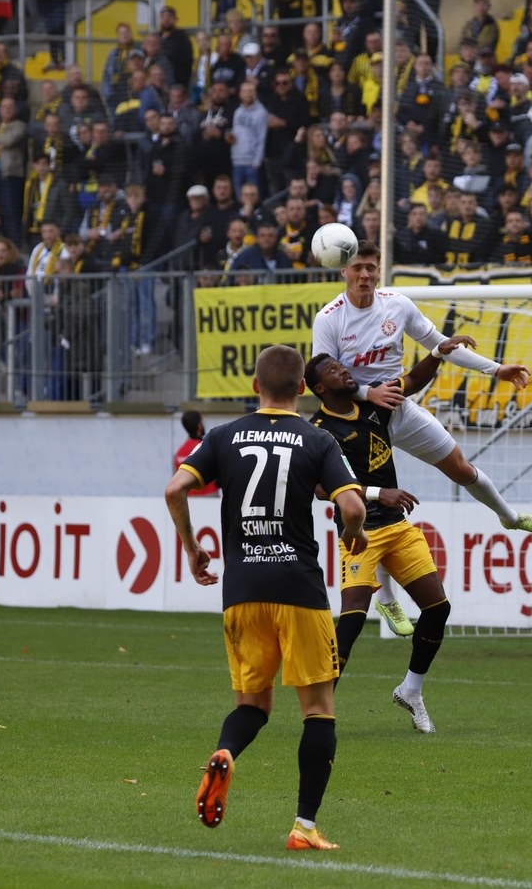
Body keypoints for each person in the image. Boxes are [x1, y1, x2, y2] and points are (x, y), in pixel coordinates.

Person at [164, 344, 367, 851]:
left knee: (253, 704)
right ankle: (304, 827)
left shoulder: (223, 435)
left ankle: (226, 753)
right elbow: (352, 506)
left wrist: (192, 549)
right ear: (302, 389)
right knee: (318, 708)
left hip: (243, 590)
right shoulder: (318, 439)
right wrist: (352, 534)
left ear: (256, 386)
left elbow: (174, 490)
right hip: (298, 587)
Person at [311, 241, 532, 637]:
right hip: (356, 422)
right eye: (357, 268)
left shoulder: (398, 305)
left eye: (371, 267)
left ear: (379, 270)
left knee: (460, 467)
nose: (365, 275)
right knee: (368, 505)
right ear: (344, 271)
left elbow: (441, 346)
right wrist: (368, 393)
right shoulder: (328, 319)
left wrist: (496, 370)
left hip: (399, 410)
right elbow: (324, 375)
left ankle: (509, 518)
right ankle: (386, 597)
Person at [305, 339, 473, 734]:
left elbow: (412, 380)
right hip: (359, 531)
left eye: (341, 365)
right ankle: (318, 711)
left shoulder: (374, 405)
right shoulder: (319, 431)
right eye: (332, 370)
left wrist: (438, 352)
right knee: (352, 620)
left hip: (397, 526)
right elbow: (320, 489)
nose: (343, 370)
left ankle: (411, 690)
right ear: (320, 388)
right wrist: (379, 493)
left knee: (438, 609)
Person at [173, 410, 218, 497]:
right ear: (199, 425)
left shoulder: (179, 453)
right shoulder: (206, 447)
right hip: (210, 497)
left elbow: (176, 481)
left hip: (189, 499)